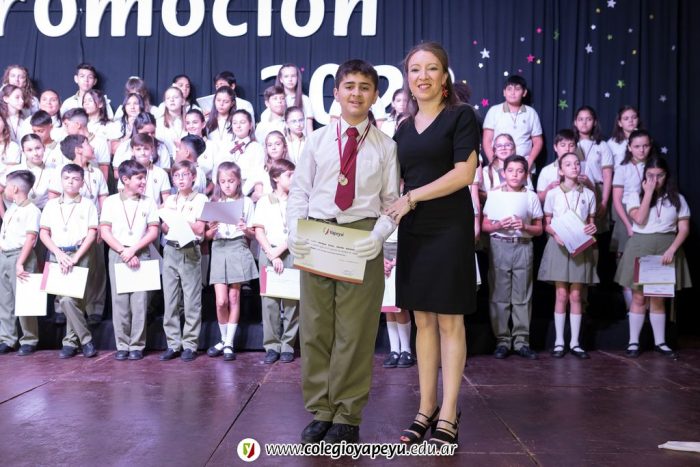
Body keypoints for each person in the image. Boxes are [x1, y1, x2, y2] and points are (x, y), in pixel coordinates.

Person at [287, 58, 399, 444]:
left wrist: (379, 234)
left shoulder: (386, 146)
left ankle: (347, 413)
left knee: (356, 330)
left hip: (361, 238)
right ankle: (321, 409)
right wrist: (293, 229)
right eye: (349, 86)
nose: (356, 94)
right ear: (335, 93)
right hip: (318, 234)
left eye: (365, 87)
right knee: (316, 327)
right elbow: (299, 191)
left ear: (376, 95)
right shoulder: (317, 140)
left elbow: (391, 201)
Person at [387, 42, 479, 447]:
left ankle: (449, 413)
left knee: (449, 321)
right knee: (422, 319)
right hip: (414, 230)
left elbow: (464, 175)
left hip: (449, 227)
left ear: (445, 76)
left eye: (431, 68)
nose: (422, 76)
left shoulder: (461, 116)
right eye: (414, 69)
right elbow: (392, 181)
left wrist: (411, 197)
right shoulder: (403, 127)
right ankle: (426, 408)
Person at [615, 156, 691, 358]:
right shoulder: (634, 196)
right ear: (644, 176)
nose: (655, 180)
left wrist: (672, 249)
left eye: (659, 175)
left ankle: (660, 342)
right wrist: (648, 193)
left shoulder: (678, 199)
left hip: (666, 248)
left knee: (658, 296)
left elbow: (684, 228)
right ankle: (633, 342)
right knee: (638, 297)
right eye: (650, 175)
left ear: (666, 176)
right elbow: (639, 219)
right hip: (641, 246)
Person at [482, 155, 543, 359]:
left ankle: (521, 341)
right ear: (504, 173)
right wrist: (499, 225)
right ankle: (502, 340)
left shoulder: (531, 196)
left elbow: (539, 228)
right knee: (499, 294)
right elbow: (485, 225)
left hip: (523, 245)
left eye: (519, 171)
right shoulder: (495, 195)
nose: (515, 175)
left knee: (522, 295)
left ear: (526, 174)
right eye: (511, 170)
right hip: (500, 245)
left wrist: (524, 226)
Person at [538, 153, 598, 359]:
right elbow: (547, 222)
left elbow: (591, 222)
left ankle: (575, 343)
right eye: (568, 164)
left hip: (580, 246)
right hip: (559, 245)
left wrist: (592, 228)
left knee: (576, 295)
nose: (574, 167)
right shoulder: (553, 194)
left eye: (576, 163)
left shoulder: (588, 194)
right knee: (561, 294)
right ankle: (559, 342)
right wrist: (555, 234)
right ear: (561, 170)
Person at [101, 160, 160, 361]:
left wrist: (133, 250)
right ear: (125, 179)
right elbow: (105, 231)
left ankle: (137, 345)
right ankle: (122, 344)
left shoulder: (148, 202)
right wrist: (123, 251)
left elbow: (153, 231)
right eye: (139, 178)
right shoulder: (111, 202)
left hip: (140, 252)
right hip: (118, 253)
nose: (144, 182)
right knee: (120, 301)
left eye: (144, 178)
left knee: (140, 302)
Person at [40, 164, 99, 358]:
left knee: (75, 300)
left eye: (75, 179)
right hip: (57, 255)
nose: (70, 182)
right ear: (61, 180)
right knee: (64, 300)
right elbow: (44, 233)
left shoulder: (87, 204)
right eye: (66, 178)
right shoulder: (51, 205)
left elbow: (92, 234)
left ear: (82, 182)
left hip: (80, 254)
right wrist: (58, 253)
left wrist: (76, 257)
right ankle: (85, 340)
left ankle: (70, 342)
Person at [204, 161, 257, 362]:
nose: (227, 185)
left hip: (237, 246)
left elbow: (253, 234)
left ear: (238, 181)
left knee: (234, 297)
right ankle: (223, 338)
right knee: (221, 301)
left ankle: (228, 343)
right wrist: (212, 229)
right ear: (218, 182)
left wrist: (245, 228)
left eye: (231, 181)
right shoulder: (215, 201)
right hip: (219, 248)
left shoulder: (246, 202)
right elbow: (206, 236)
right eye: (223, 181)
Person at [159, 160, 207, 362]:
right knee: (170, 299)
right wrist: (169, 223)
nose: (180, 179)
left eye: (185, 175)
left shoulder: (201, 199)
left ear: (193, 177)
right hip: (171, 249)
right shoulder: (170, 200)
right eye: (176, 176)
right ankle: (173, 343)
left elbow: (199, 228)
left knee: (191, 300)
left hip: (189, 249)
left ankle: (190, 344)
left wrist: (178, 221)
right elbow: (164, 227)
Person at [253, 159, 298, 364]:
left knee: (291, 302)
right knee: (269, 302)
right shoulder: (264, 201)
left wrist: (279, 252)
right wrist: (272, 254)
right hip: (269, 251)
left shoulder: (298, 201)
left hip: (291, 251)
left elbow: (298, 230)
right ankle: (271, 345)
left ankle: (288, 345)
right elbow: (259, 230)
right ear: (276, 177)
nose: (293, 178)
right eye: (289, 175)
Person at [611, 129, 654, 311]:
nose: (641, 150)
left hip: (651, 216)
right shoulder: (623, 168)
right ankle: (632, 310)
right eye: (637, 146)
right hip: (626, 217)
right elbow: (617, 200)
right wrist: (628, 225)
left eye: (645, 146)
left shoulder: (655, 166)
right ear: (629, 147)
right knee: (626, 263)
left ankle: (650, 310)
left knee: (649, 261)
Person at [0, 170, 41, 355]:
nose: (5, 189)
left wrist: (20, 263)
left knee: (25, 300)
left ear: (15, 188)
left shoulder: (32, 210)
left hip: (20, 256)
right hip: (5, 255)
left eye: (7, 186)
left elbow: (30, 239)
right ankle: (7, 338)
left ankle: (29, 339)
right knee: (5, 300)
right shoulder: (13, 207)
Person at [482, 75, 543, 171]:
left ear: (524, 92)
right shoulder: (494, 111)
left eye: (517, 89)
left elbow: (538, 141)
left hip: (524, 165)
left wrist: (529, 162)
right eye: (509, 89)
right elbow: (487, 140)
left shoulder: (531, 113)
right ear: (504, 92)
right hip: (499, 165)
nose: (513, 93)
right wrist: (494, 162)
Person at [573, 106, 613, 233]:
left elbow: (607, 175)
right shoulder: (571, 144)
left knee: (597, 230)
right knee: (576, 228)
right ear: (575, 122)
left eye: (588, 119)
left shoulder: (602, 145)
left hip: (598, 189)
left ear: (595, 122)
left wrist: (604, 201)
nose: (584, 123)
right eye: (580, 119)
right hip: (575, 188)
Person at [381, 227, 414, 369]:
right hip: (382, 246)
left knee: (399, 305)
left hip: (401, 246)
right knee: (387, 305)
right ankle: (394, 350)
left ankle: (406, 350)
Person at [118, 134, 171, 205]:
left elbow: (166, 201)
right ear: (132, 151)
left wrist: (154, 210)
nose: (142, 153)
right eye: (138, 149)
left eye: (146, 149)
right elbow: (122, 199)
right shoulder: (126, 171)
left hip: (155, 211)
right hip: (131, 211)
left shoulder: (161, 173)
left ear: (152, 150)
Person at [536, 129, 584, 203]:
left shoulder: (583, 167)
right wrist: (548, 189)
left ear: (576, 148)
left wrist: (588, 183)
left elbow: (591, 195)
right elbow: (538, 200)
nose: (567, 149)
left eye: (571, 145)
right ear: (555, 147)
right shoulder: (546, 171)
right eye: (563, 145)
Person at [272, 64, 314, 133]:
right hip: (280, 138)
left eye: (293, 76)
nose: (290, 79)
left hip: (301, 138)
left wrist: (310, 139)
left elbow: (309, 128)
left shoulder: (305, 99)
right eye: (286, 76)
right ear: (281, 79)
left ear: (297, 78)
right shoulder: (276, 100)